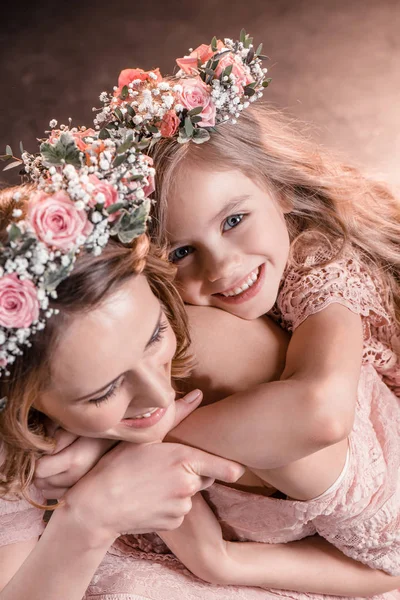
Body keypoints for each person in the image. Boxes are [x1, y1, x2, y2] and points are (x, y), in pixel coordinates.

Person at [0, 129, 399, 599]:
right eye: (182, 251)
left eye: (155, 336)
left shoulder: (297, 278)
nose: (159, 393)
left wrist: (114, 447)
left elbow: (324, 421)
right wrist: (90, 514)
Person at [86, 31, 400, 587]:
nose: (223, 266)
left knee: (195, 344)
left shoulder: (318, 260)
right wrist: (220, 562)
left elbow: (322, 413)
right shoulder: (178, 298)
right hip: (364, 551)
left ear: (276, 191)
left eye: (234, 221)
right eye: (181, 252)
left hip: (379, 494)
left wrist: (139, 442)